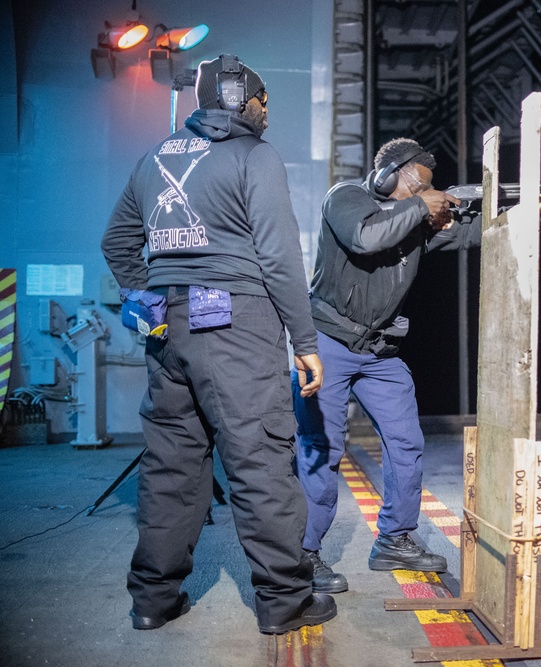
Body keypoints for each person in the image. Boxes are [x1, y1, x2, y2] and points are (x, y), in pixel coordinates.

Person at [101, 54, 336, 635]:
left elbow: (116, 242)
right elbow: (280, 257)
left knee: (171, 466)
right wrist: (303, 340)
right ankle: (284, 601)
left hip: (167, 330)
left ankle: (152, 601)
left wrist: (148, 292)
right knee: (259, 459)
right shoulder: (255, 156)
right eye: (261, 101)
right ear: (238, 99)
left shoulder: (153, 158)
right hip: (236, 321)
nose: (265, 112)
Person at [293, 138, 541, 589]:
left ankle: (395, 539)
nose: (425, 193)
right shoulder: (346, 198)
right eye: (418, 184)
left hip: (379, 350)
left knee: (406, 443)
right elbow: (366, 238)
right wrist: (422, 207)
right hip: (327, 342)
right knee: (321, 449)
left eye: (428, 188)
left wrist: (529, 210)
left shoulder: (413, 220)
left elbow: (472, 231)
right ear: (388, 174)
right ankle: (302, 555)